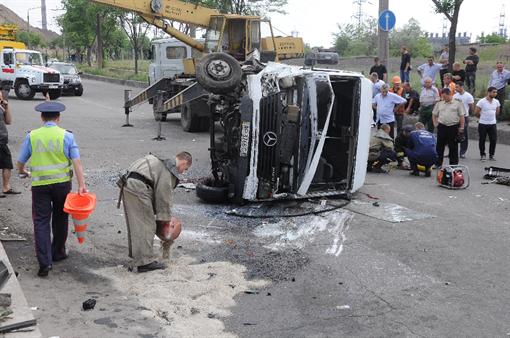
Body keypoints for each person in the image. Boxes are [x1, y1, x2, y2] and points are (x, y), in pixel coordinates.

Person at [16, 101, 87, 278]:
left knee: (41, 221)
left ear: (41, 117)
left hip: (40, 186)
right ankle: (58, 253)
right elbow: (76, 162)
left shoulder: (32, 136)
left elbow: (20, 160)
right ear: (58, 118)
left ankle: (44, 263)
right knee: (61, 218)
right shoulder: (67, 136)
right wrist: (82, 185)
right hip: (62, 185)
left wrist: (22, 171)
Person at [117, 152, 192, 273]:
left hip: (128, 182)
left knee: (136, 224)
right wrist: (165, 221)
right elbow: (163, 197)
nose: (183, 172)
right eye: (185, 169)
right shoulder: (168, 170)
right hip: (138, 186)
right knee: (147, 225)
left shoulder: (161, 160)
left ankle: (138, 258)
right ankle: (144, 263)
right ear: (183, 162)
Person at [432, 88, 465, 167]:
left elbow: (462, 116)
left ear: (450, 94)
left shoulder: (458, 103)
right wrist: (435, 123)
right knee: (439, 146)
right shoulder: (439, 103)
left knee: (453, 146)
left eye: (445, 97)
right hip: (442, 126)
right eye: (443, 97)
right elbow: (434, 114)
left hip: (453, 126)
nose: (444, 99)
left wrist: (462, 127)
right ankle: (438, 163)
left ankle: (453, 164)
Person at [0, 91, 20, 197]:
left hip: (2, 141)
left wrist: (6, 107)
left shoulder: (1, 107)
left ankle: (6, 187)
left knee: (7, 165)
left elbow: (8, 121)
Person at [475, 87, 500, 161]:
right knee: (482, 140)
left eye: (496, 92)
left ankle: (491, 155)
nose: (495, 94)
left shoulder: (496, 102)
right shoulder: (481, 101)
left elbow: (497, 112)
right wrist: (482, 118)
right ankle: (482, 154)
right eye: (494, 92)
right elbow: (476, 113)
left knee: (493, 139)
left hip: (492, 124)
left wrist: (492, 119)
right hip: (483, 124)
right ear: (488, 92)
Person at [453, 81, 474, 158]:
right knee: (453, 134)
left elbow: (471, 107)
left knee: (463, 135)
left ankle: (462, 152)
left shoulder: (468, 96)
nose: (456, 88)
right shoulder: (455, 96)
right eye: (455, 87)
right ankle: (452, 152)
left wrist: (470, 116)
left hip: (464, 117)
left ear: (462, 87)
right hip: (455, 117)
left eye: (457, 87)